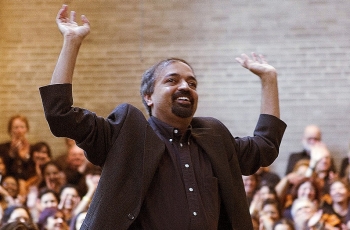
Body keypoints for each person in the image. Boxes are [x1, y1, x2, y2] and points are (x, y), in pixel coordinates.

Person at [38, 4, 287, 229]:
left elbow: (265, 147)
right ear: (149, 96)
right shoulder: (125, 133)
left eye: (192, 83)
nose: (185, 87)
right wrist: (71, 41)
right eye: (172, 80)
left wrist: (269, 80)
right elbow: (60, 115)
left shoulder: (214, 136)